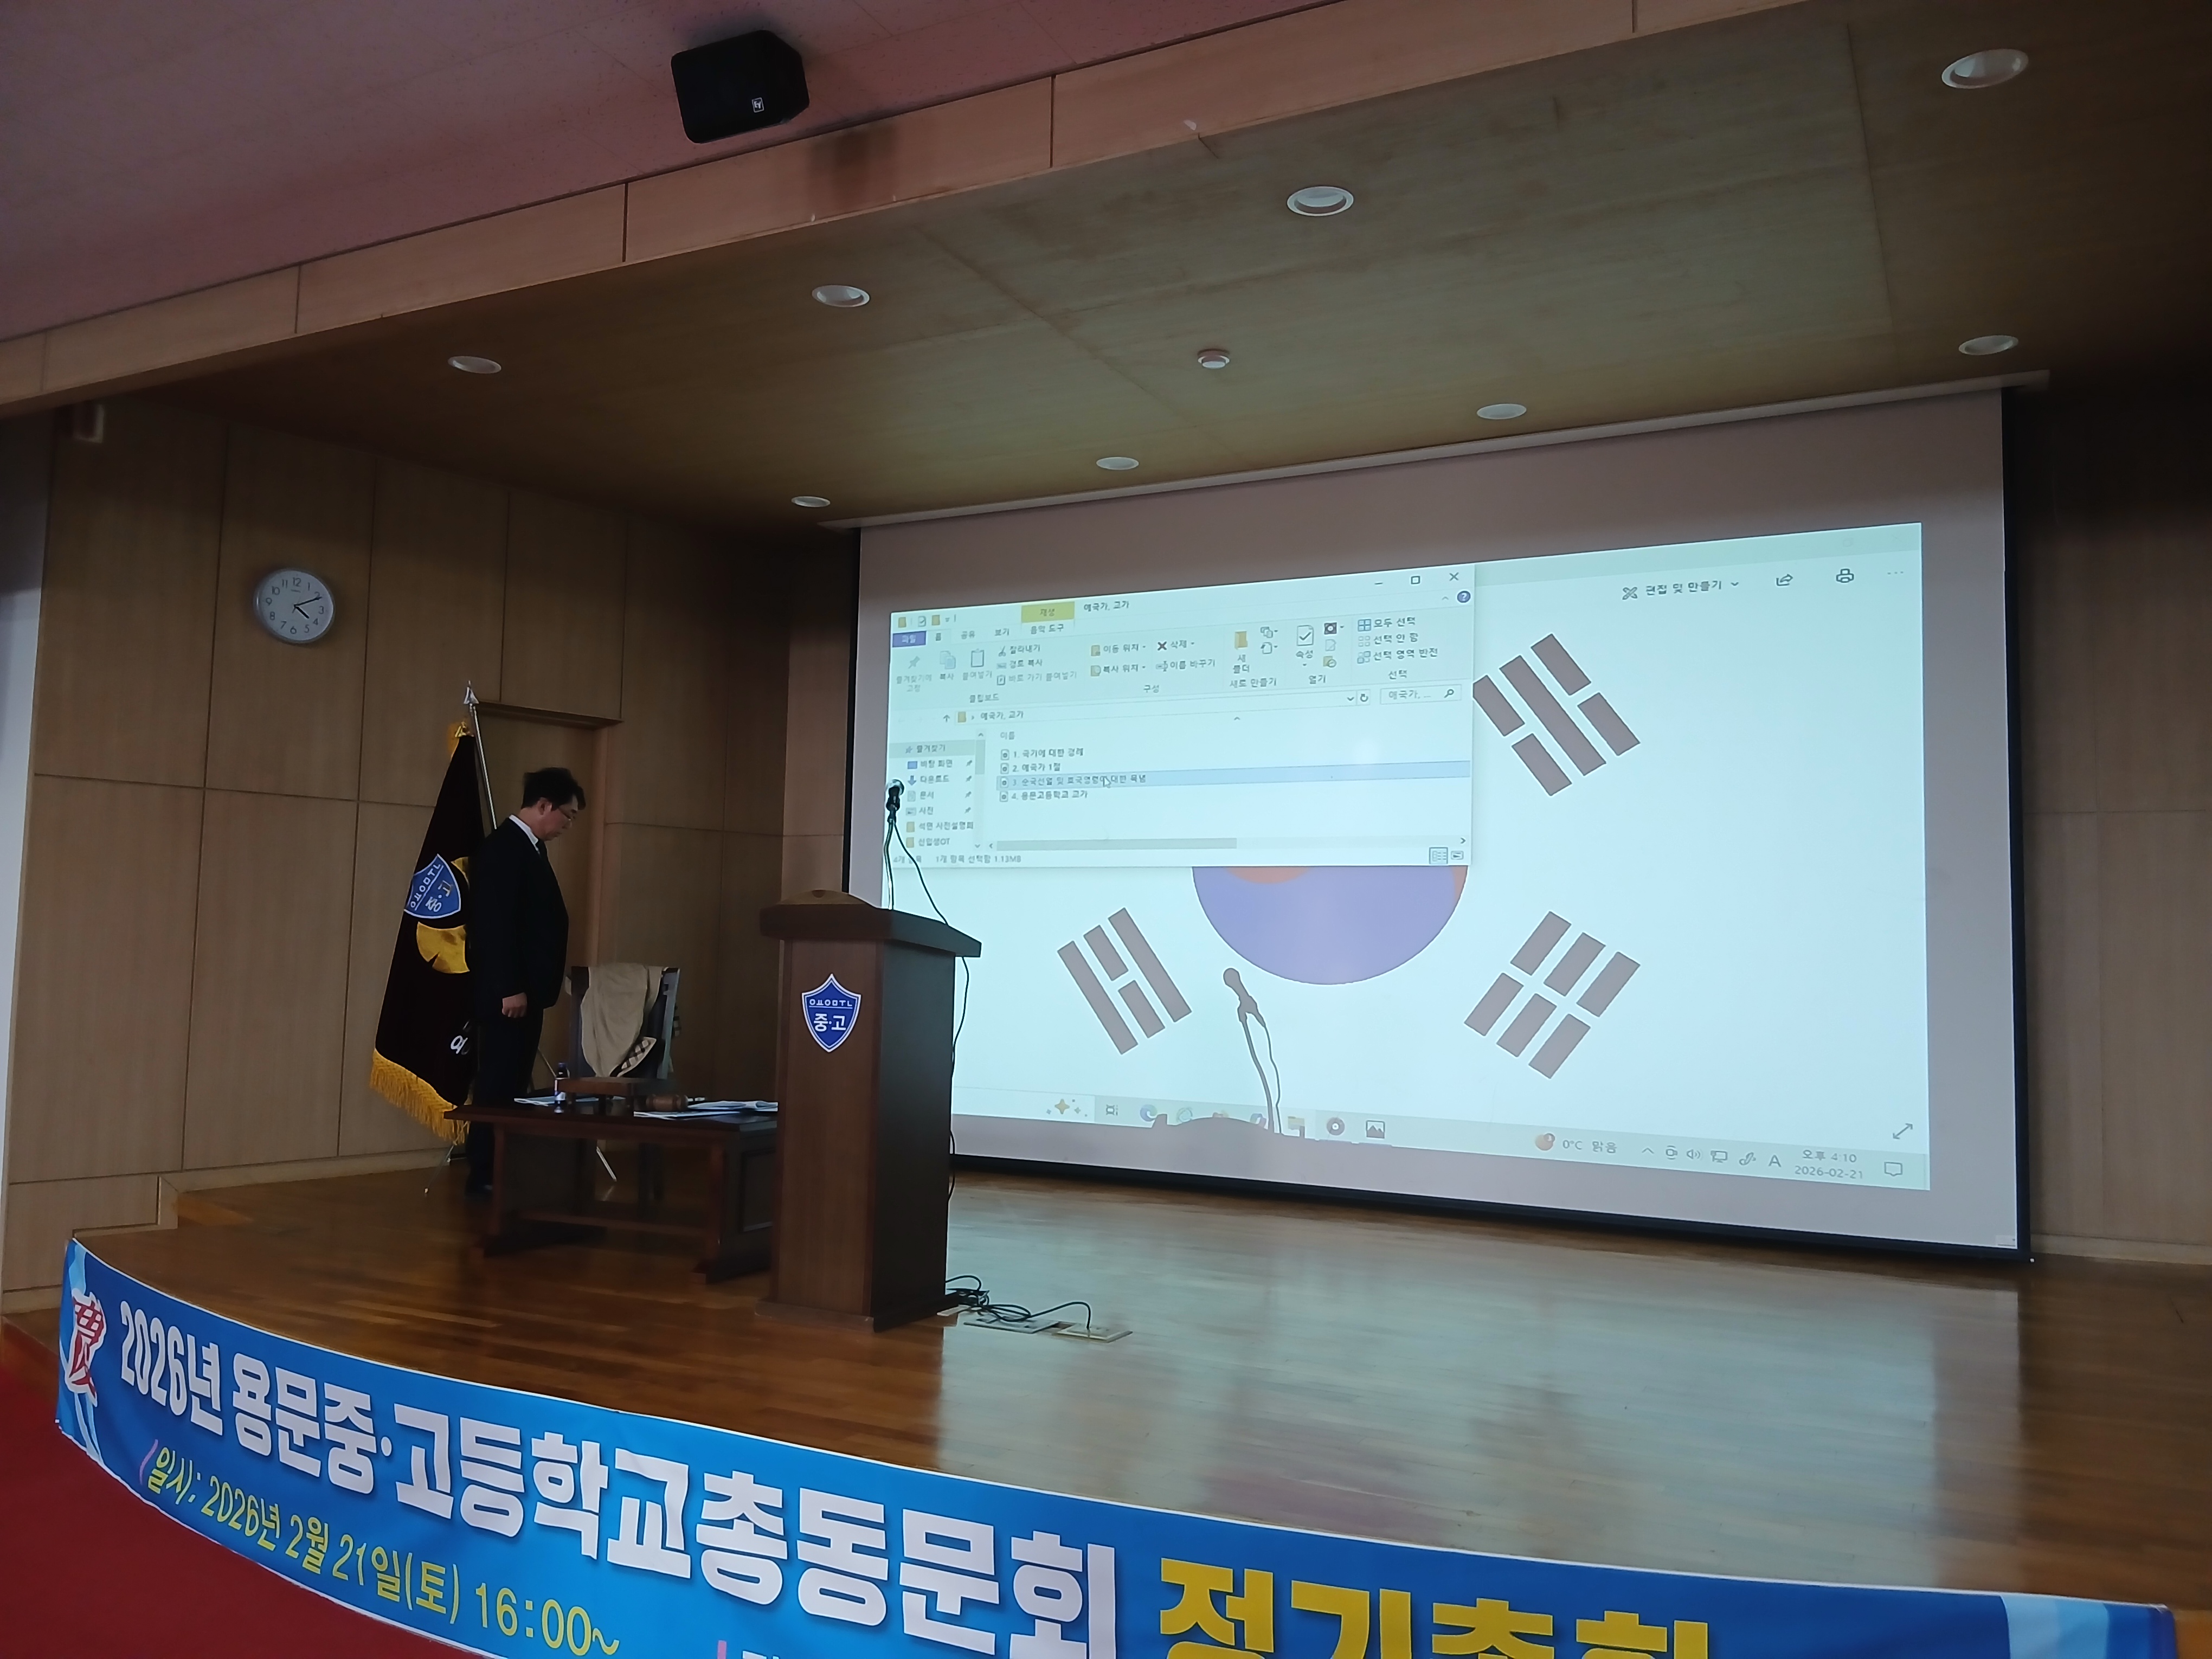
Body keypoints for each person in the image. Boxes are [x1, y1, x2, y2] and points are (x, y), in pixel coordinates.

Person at [466, 766, 586, 1193]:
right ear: (544, 805)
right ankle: (483, 1175)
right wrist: (509, 987)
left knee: (513, 1084)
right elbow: (494, 926)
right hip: (509, 996)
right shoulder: (504, 849)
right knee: (498, 1083)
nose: (568, 825)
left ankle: (503, 1173)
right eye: (568, 815)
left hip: (527, 993)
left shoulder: (531, 848)